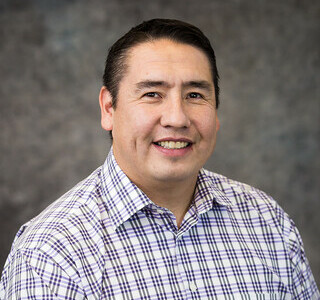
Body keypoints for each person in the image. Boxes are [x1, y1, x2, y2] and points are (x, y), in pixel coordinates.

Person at [0, 18, 318, 300]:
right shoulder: (50, 253)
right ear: (109, 108)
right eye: (153, 94)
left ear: (216, 112)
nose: (177, 118)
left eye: (195, 95)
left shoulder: (267, 221)